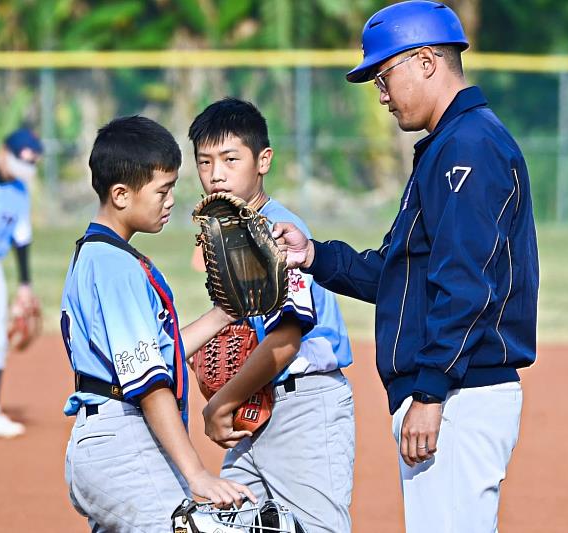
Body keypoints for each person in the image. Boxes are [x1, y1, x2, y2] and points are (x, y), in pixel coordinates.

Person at [273, 2, 540, 531]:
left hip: (461, 393)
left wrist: (431, 391)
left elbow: (468, 285)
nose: (380, 92)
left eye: (384, 73)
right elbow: (401, 275)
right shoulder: (447, 147)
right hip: (452, 391)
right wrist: (315, 255)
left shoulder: (469, 147)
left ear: (425, 61)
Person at [60, 116, 256, 533]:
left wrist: (225, 314)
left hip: (106, 439)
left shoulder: (97, 255)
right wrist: (197, 473)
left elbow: (157, 353)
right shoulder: (116, 266)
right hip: (124, 442)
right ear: (120, 195)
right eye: (162, 190)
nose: (171, 201)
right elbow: (149, 383)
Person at [188, 98, 355, 533]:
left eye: (230, 158)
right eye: (204, 162)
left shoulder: (275, 230)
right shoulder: (231, 233)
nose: (216, 174)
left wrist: (220, 403)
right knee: (230, 522)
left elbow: (284, 342)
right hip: (254, 403)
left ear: (263, 160)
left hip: (302, 402)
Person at [0, 127, 43, 438]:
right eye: (20, 161)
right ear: (3, 152)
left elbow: (21, 238)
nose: (24, 170)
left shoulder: (19, 192)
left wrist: (25, 284)